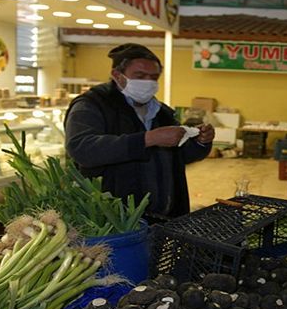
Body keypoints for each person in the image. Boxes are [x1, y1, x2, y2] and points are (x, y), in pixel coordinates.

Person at [65, 43, 214, 220]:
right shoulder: (91, 105)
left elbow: (178, 157)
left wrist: (200, 142)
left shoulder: (162, 112)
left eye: (153, 77)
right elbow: (82, 149)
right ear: (117, 75)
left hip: (162, 217)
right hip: (112, 219)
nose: (148, 83)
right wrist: (146, 139)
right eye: (140, 76)